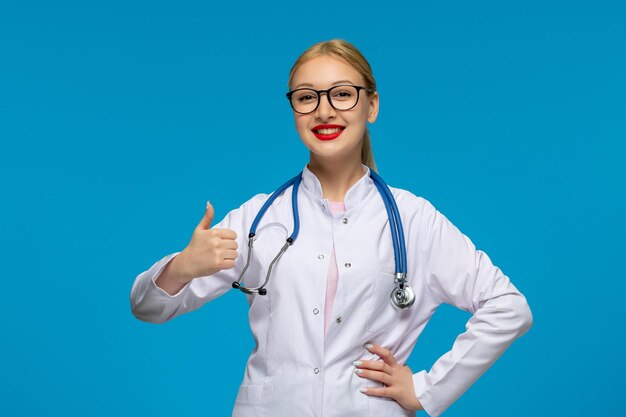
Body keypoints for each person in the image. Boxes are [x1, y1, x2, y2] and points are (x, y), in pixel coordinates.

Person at [130, 39, 533, 417]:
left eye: (341, 94)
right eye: (307, 98)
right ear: (294, 111)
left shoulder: (413, 219)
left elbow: (508, 307)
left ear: (371, 105)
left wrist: (428, 388)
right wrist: (183, 267)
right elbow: (147, 309)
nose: (324, 111)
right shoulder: (258, 218)